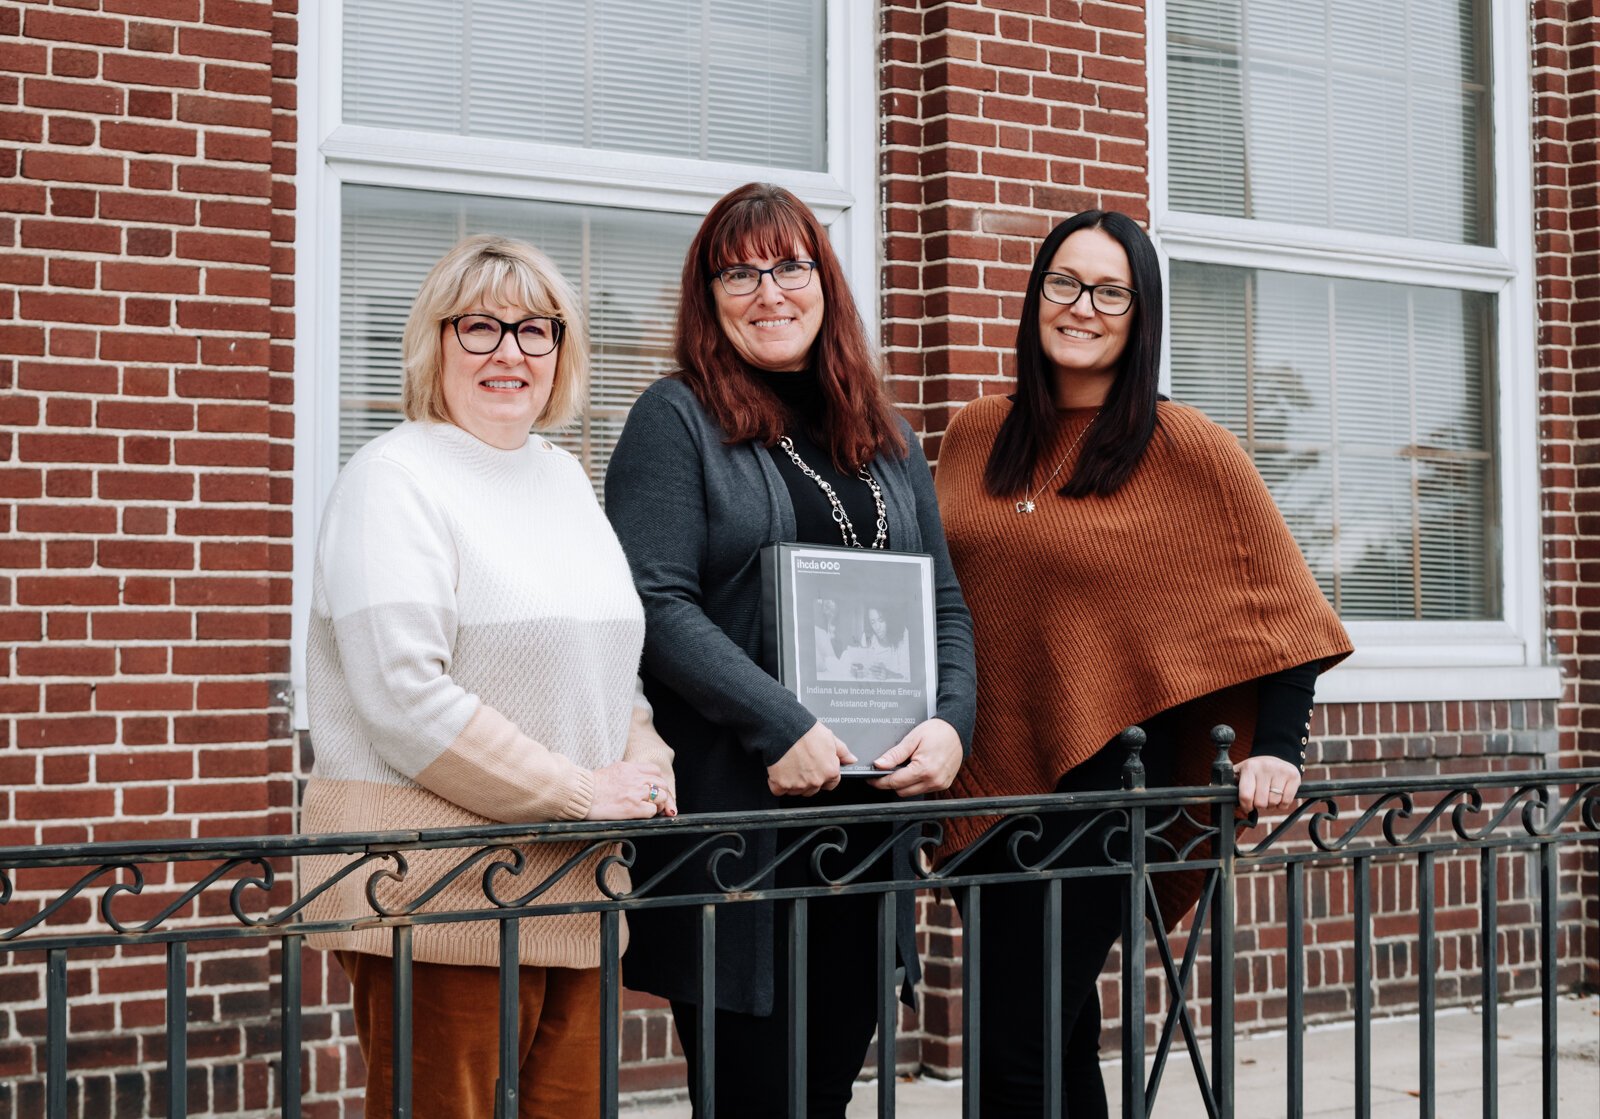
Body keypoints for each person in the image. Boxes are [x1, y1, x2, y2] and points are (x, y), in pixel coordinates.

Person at [934, 210, 1352, 1118]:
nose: (1081, 306)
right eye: (1064, 283)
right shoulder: (975, 433)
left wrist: (1278, 749)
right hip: (981, 782)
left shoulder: (1186, 447)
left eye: (1109, 291)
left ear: (1140, 312)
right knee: (1046, 1035)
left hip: (1101, 793)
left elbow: (1285, 613)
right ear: (1035, 295)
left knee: (1018, 1045)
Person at [605, 183, 977, 1117]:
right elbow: (652, 601)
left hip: (864, 834)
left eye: (790, 266)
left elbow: (944, 605)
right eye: (740, 272)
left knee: (824, 1096)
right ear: (709, 294)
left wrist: (951, 725)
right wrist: (784, 722)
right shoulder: (676, 418)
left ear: (825, 282)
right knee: (754, 1098)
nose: (769, 292)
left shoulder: (884, 436)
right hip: (744, 841)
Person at [300, 234, 677, 1119]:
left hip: (574, 888)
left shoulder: (563, 480)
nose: (510, 351)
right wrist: (582, 790)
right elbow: (405, 697)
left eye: (535, 329)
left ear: (561, 351)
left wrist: (645, 754)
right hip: (434, 894)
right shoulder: (392, 479)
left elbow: (613, 661)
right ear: (436, 343)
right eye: (480, 326)